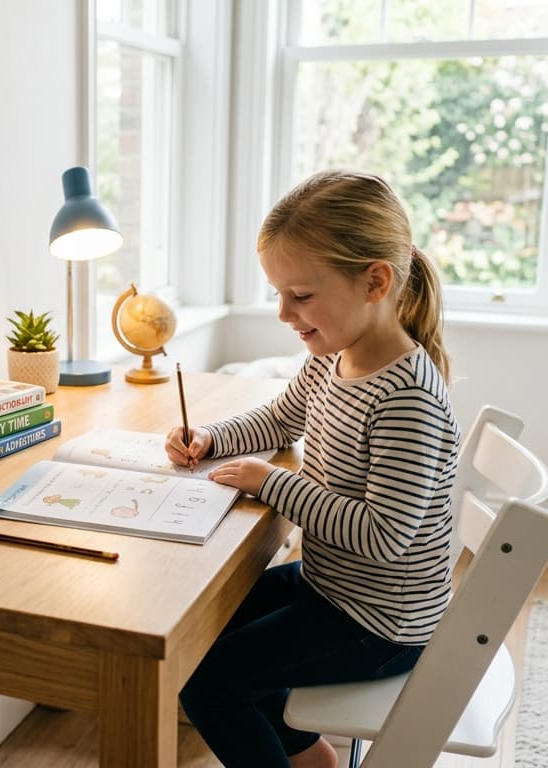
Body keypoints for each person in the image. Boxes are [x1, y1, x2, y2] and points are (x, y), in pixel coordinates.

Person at [166, 170, 460, 768]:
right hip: (333, 587)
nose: (283, 313)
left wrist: (272, 483)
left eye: (300, 296)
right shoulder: (331, 357)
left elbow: (383, 536)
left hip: (380, 624)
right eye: (279, 294)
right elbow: (280, 419)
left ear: (375, 282)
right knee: (195, 633)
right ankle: (312, 759)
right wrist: (212, 437)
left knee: (209, 683)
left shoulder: (408, 397)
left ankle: (302, 758)